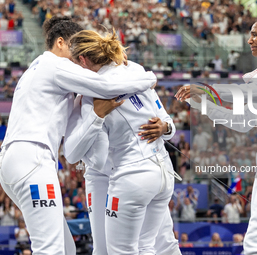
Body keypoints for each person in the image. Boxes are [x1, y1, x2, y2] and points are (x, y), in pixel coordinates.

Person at [0, 16, 156, 255]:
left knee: (66, 248)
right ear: (60, 42)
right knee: (50, 250)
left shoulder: (40, 68)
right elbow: (104, 86)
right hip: (33, 159)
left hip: (15, 160)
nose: (78, 54)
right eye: (74, 46)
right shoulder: (55, 65)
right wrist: (148, 78)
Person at [175, 14, 257, 254]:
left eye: (256, 34)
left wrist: (207, 89)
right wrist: (201, 104)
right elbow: (241, 121)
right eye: (250, 35)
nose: (250, 40)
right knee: (255, 240)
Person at [63, 29, 181, 254]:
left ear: (82, 59)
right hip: (160, 171)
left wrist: (165, 128)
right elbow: (155, 93)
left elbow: (95, 158)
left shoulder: (93, 92)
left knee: (123, 249)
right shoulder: (136, 72)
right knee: (147, 247)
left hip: (129, 176)